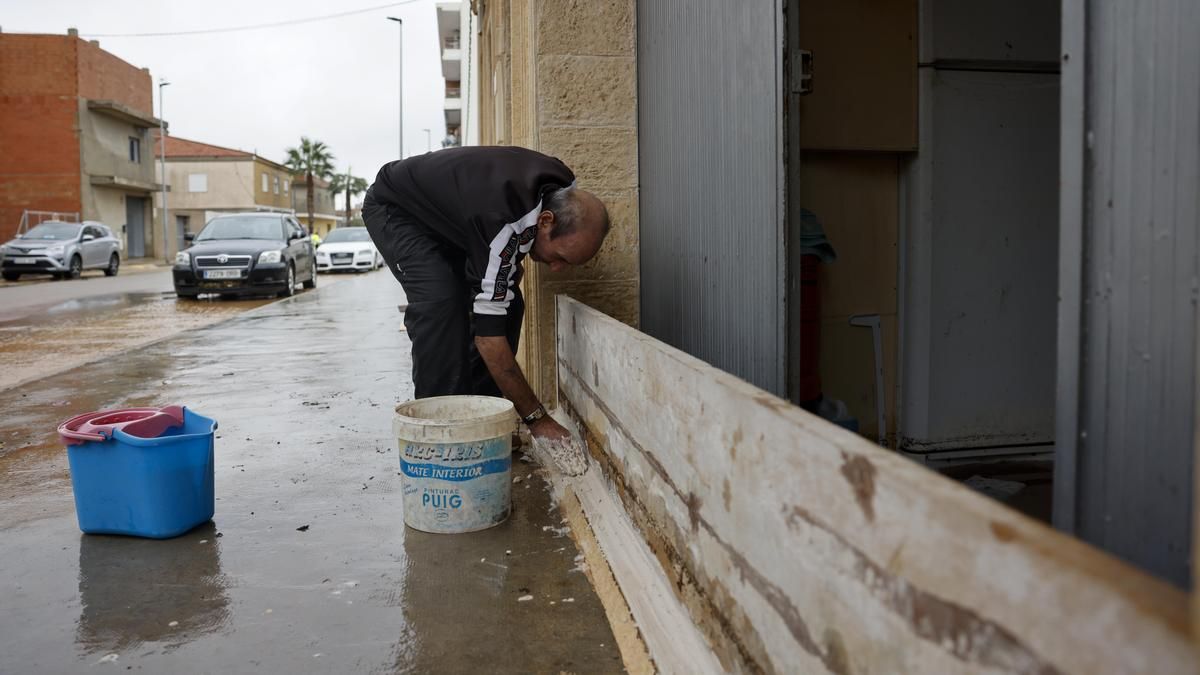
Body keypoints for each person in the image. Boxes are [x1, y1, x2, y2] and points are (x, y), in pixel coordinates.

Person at [362, 146, 610, 446]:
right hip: (397, 208)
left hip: (455, 218)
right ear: (545, 221)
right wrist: (537, 419)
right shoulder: (503, 223)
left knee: (508, 304)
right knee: (442, 302)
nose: (557, 269)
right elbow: (488, 340)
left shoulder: (561, 187)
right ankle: (442, 429)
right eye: (561, 257)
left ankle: (483, 421)